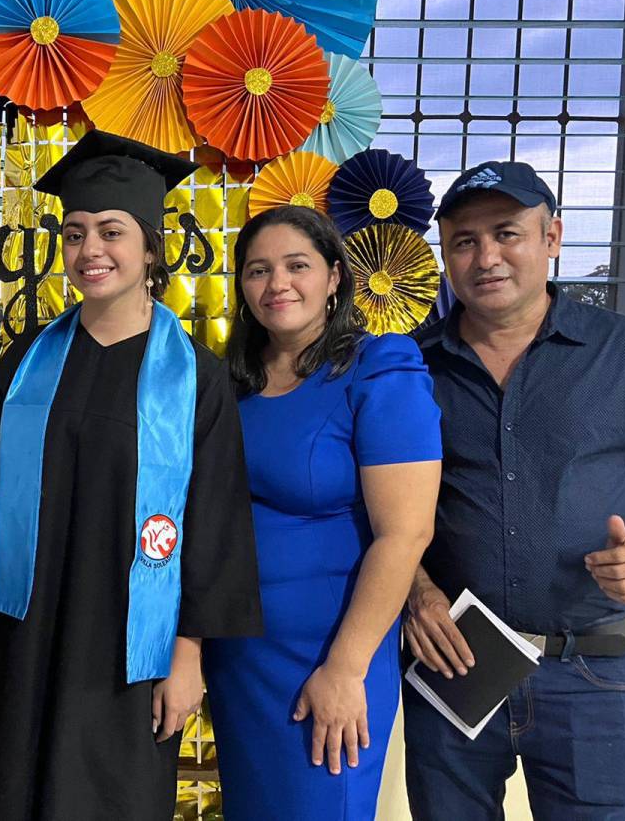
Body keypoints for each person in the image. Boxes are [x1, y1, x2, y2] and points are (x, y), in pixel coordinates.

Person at [0, 130, 263, 821]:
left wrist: (189, 657)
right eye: (76, 232)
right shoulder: (30, 358)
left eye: (112, 232)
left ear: (151, 249)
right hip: (23, 635)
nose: (91, 250)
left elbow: (215, 523)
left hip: (130, 652)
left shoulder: (195, 379)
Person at [403, 161, 625, 820]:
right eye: (464, 241)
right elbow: (370, 506)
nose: (486, 256)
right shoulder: (408, 367)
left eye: (507, 233)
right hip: (457, 659)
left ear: (553, 237)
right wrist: (415, 591)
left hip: (591, 668)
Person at [201, 205, 442, 819]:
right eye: (257, 270)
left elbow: (405, 533)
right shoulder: (232, 382)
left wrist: (346, 667)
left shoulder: (379, 367)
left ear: (335, 276)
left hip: (330, 656)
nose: (277, 284)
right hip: (242, 661)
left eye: (297, 266)